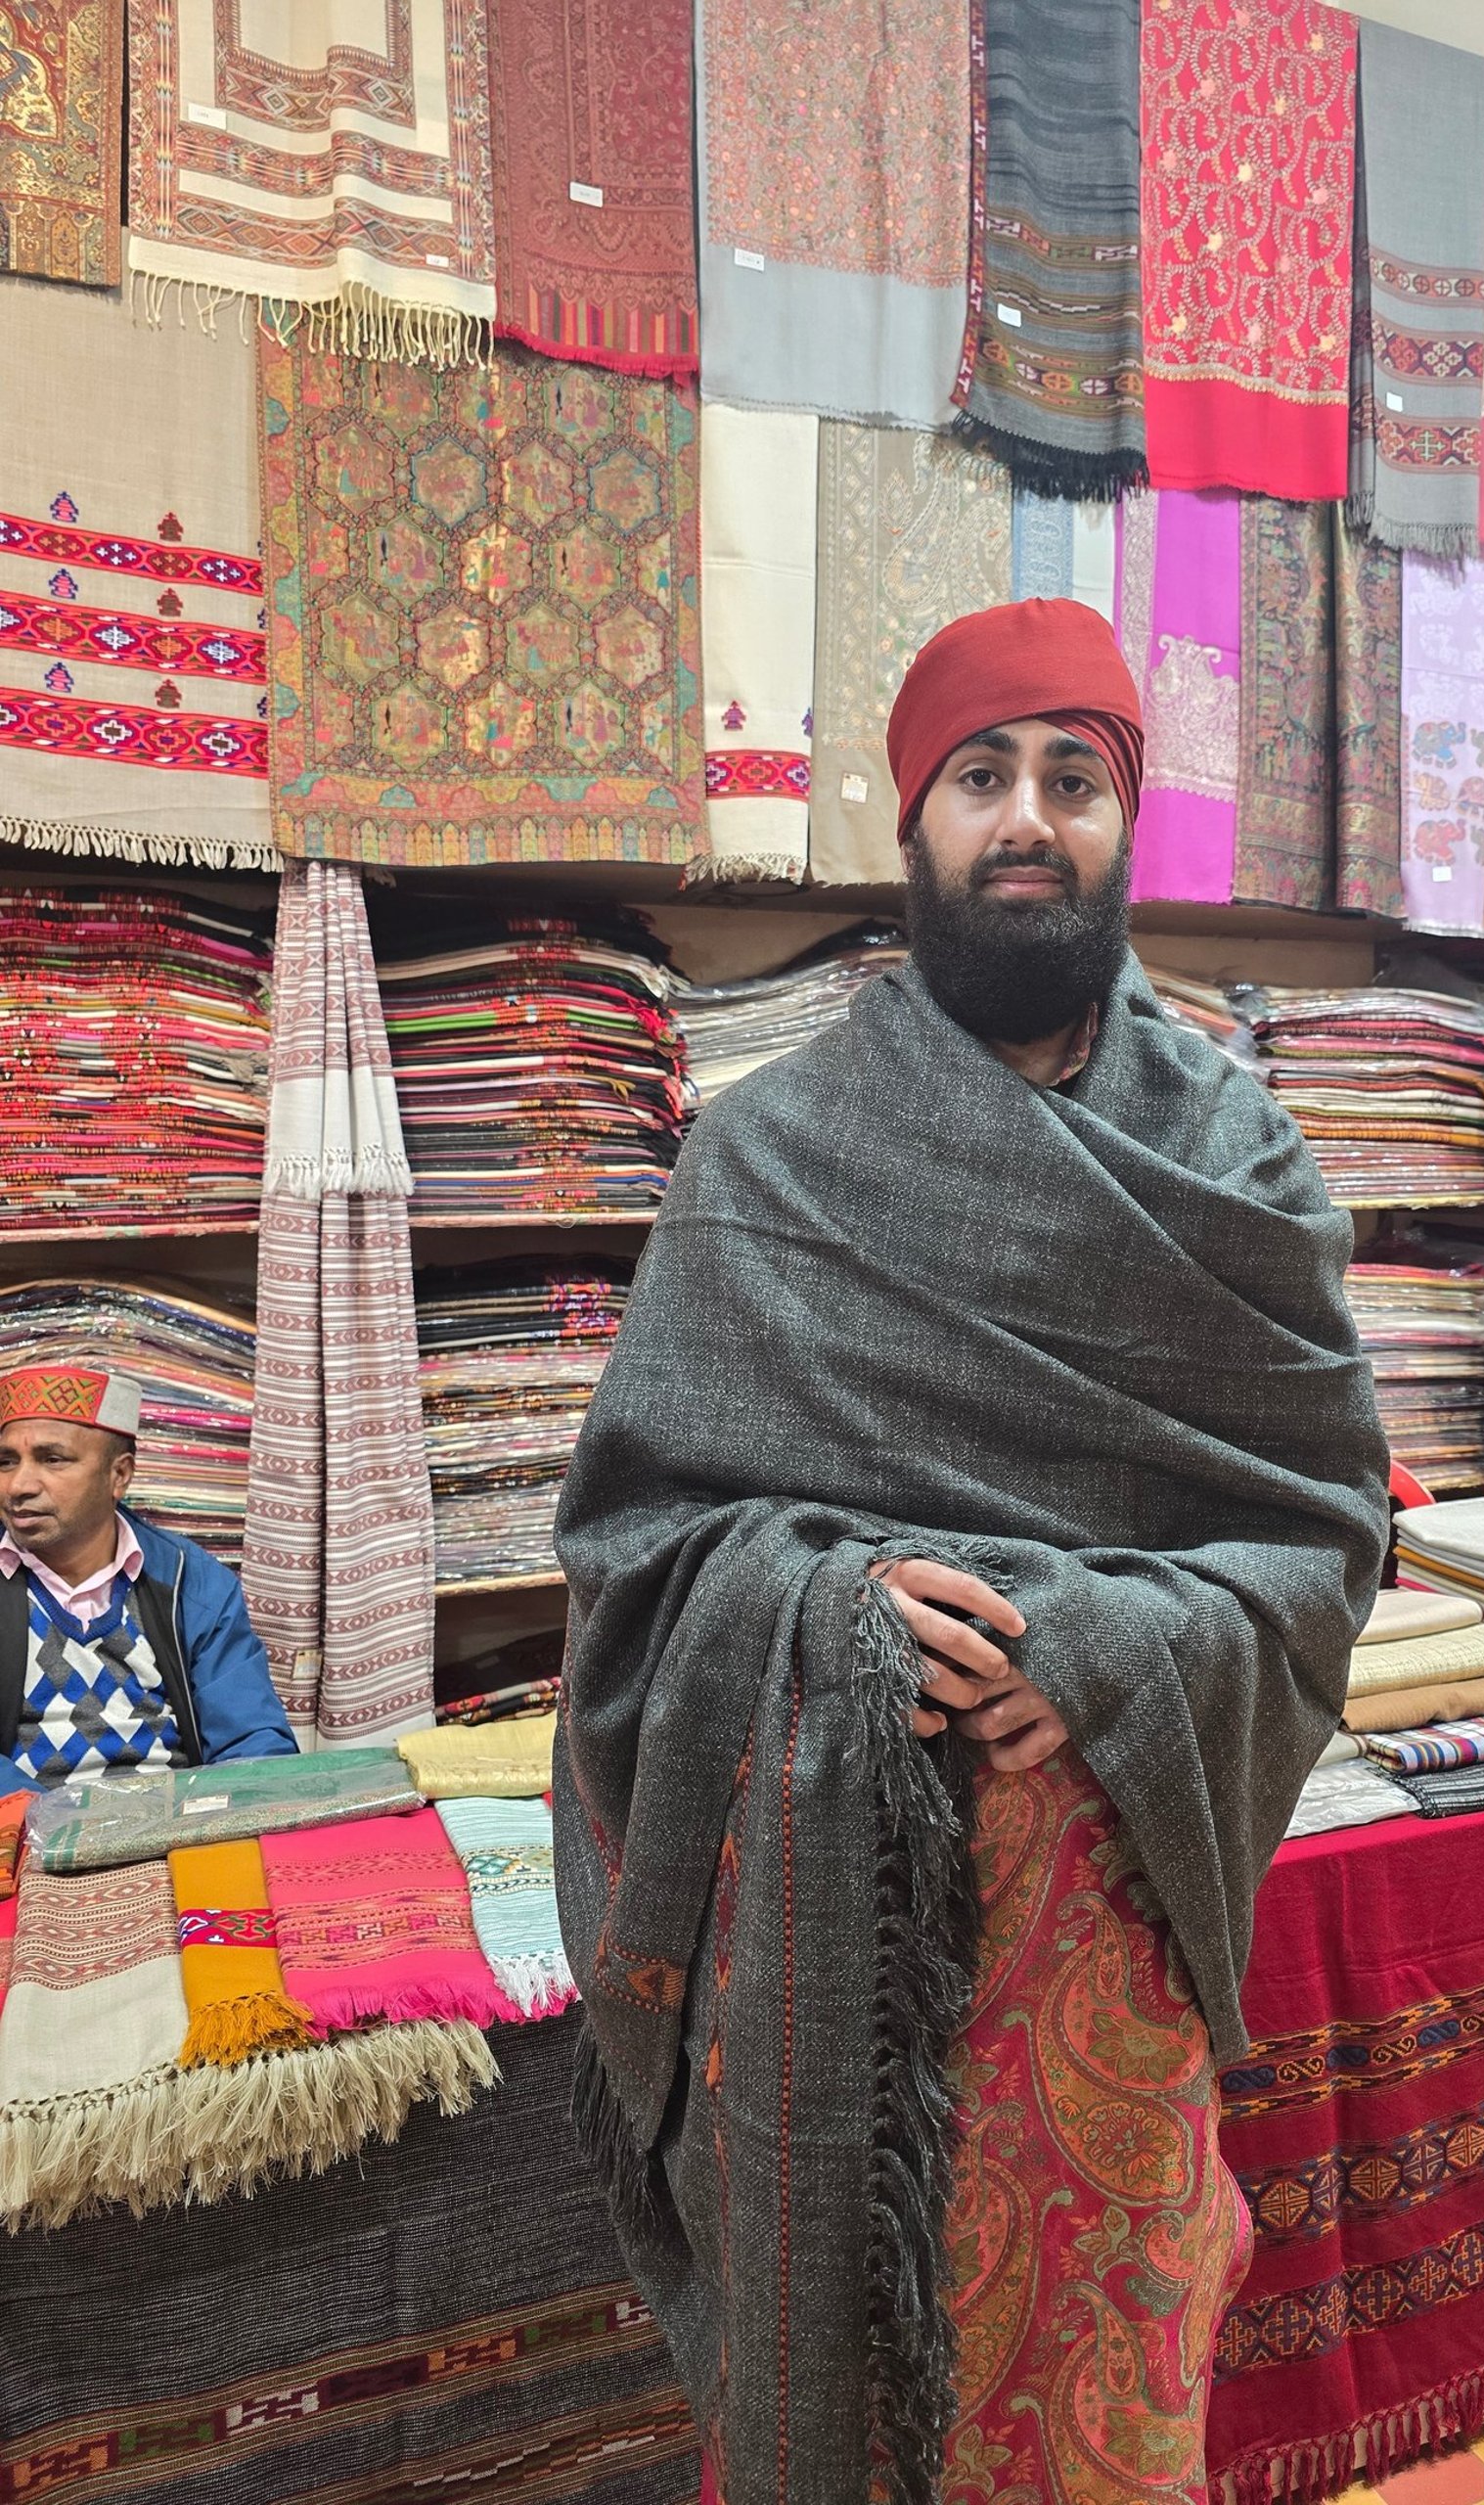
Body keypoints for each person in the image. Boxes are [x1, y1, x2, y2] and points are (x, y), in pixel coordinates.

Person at [554, 598, 1389, 2505]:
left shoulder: (1239, 1160)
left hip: (1106, 1908)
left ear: (1122, 820)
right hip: (818, 1925)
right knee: (831, 2405)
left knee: (1094, 2386)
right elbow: (631, 1542)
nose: (1028, 816)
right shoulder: (771, 1156)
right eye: (984, 776)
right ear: (912, 820)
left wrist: (1094, 1640)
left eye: (1073, 777)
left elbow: (1328, 1532)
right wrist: (820, 1609)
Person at [0, 1365, 295, 1798]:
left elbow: (253, 1743)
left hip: (174, 1833)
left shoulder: (190, 1582)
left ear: (119, 1475)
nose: (19, 1485)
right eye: (6, 1461)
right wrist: (52, 1825)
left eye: (52, 1459)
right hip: (23, 1839)